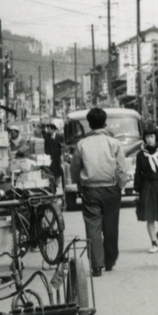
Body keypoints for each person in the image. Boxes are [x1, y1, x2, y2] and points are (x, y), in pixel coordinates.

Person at [69, 107, 126, 277]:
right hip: (111, 188)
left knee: (92, 226)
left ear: (89, 125)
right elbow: (122, 168)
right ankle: (109, 260)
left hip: (90, 190)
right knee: (111, 225)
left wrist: (78, 183)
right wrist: (120, 185)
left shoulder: (81, 144)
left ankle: (96, 265)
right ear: (105, 123)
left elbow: (75, 168)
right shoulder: (114, 143)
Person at [134, 127, 158, 253]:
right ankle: (154, 243)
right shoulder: (141, 154)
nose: (149, 139)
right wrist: (137, 190)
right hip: (147, 186)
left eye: (152, 137)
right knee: (150, 216)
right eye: (147, 137)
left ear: (156, 138)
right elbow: (138, 173)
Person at [42, 120, 64, 188]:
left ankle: (57, 184)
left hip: (57, 156)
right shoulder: (45, 137)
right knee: (50, 170)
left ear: (53, 129)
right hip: (49, 156)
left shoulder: (60, 136)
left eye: (49, 129)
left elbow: (62, 146)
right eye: (47, 128)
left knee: (58, 170)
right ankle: (51, 184)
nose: (48, 130)